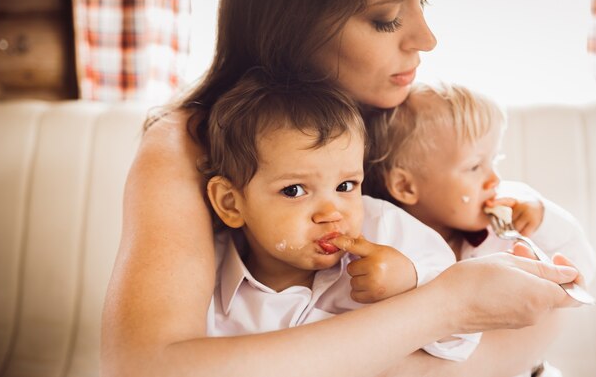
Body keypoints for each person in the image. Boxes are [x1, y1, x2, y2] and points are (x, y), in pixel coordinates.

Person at [101, 0, 584, 376]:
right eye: (387, 18)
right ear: (294, 22)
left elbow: (545, 309)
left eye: (426, 1)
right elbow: (146, 367)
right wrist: (449, 304)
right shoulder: (187, 144)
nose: (428, 39)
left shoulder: (414, 119)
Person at [202, 69, 480, 361]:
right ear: (231, 204)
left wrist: (410, 279)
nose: (331, 213)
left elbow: (466, 329)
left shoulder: (384, 229)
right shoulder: (208, 285)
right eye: (294, 190)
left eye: (345, 186)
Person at [362, 82, 596, 376]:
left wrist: (543, 218)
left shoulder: (508, 219)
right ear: (405, 186)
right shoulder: (391, 245)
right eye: (474, 167)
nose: (494, 179)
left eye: (495, 160)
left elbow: (583, 264)